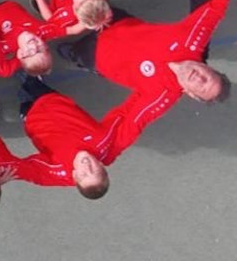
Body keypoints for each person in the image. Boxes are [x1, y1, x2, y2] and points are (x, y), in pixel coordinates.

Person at [56, 0, 237, 121]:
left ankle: (72, 53)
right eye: (207, 78)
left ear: (191, 94)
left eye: (201, 88)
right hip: (118, 22)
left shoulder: (161, 96)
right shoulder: (192, 40)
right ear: (207, 67)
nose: (199, 79)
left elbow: (130, 122)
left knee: (77, 52)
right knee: (93, 6)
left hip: (96, 56)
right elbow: (216, 7)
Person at [15, 79, 153, 198]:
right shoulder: (105, 141)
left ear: (75, 176)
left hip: (30, 117)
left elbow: (32, 173)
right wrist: (147, 91)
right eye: (94, 170)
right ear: (101, 165)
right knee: (27, 75)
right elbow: (128, 117)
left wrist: (4, 171)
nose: (87, 166)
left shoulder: (59, 170)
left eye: (83, 174)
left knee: (22, 96)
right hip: (49, 98)